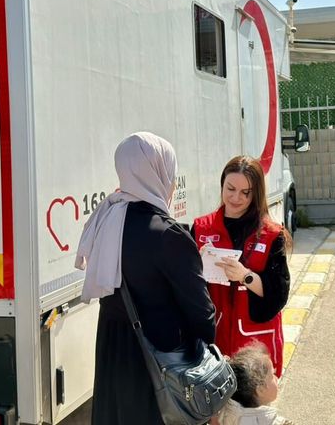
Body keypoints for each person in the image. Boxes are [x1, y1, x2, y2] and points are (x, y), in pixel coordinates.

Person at [76, 132, 216, 425]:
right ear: (160, 172)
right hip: (159, 368)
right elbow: (202, 317)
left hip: (114, 355)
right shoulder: (168, 234)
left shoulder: (106, 220)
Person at [193, 156, 291, 377]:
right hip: (214, 342)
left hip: (255, 342)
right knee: (216, 409)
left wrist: (245, 276)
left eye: (245, 192)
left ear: (255, 194)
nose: (236, 197)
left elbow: (278, 294)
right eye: (230, 188)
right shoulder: (201, 229)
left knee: (254, 408)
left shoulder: (271, 234)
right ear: (222, 185)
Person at [218, 343, 294, 425]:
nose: (276, 378)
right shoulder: (271, 422)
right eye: (273, 375)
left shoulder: (224, 410)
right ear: (260, 389)